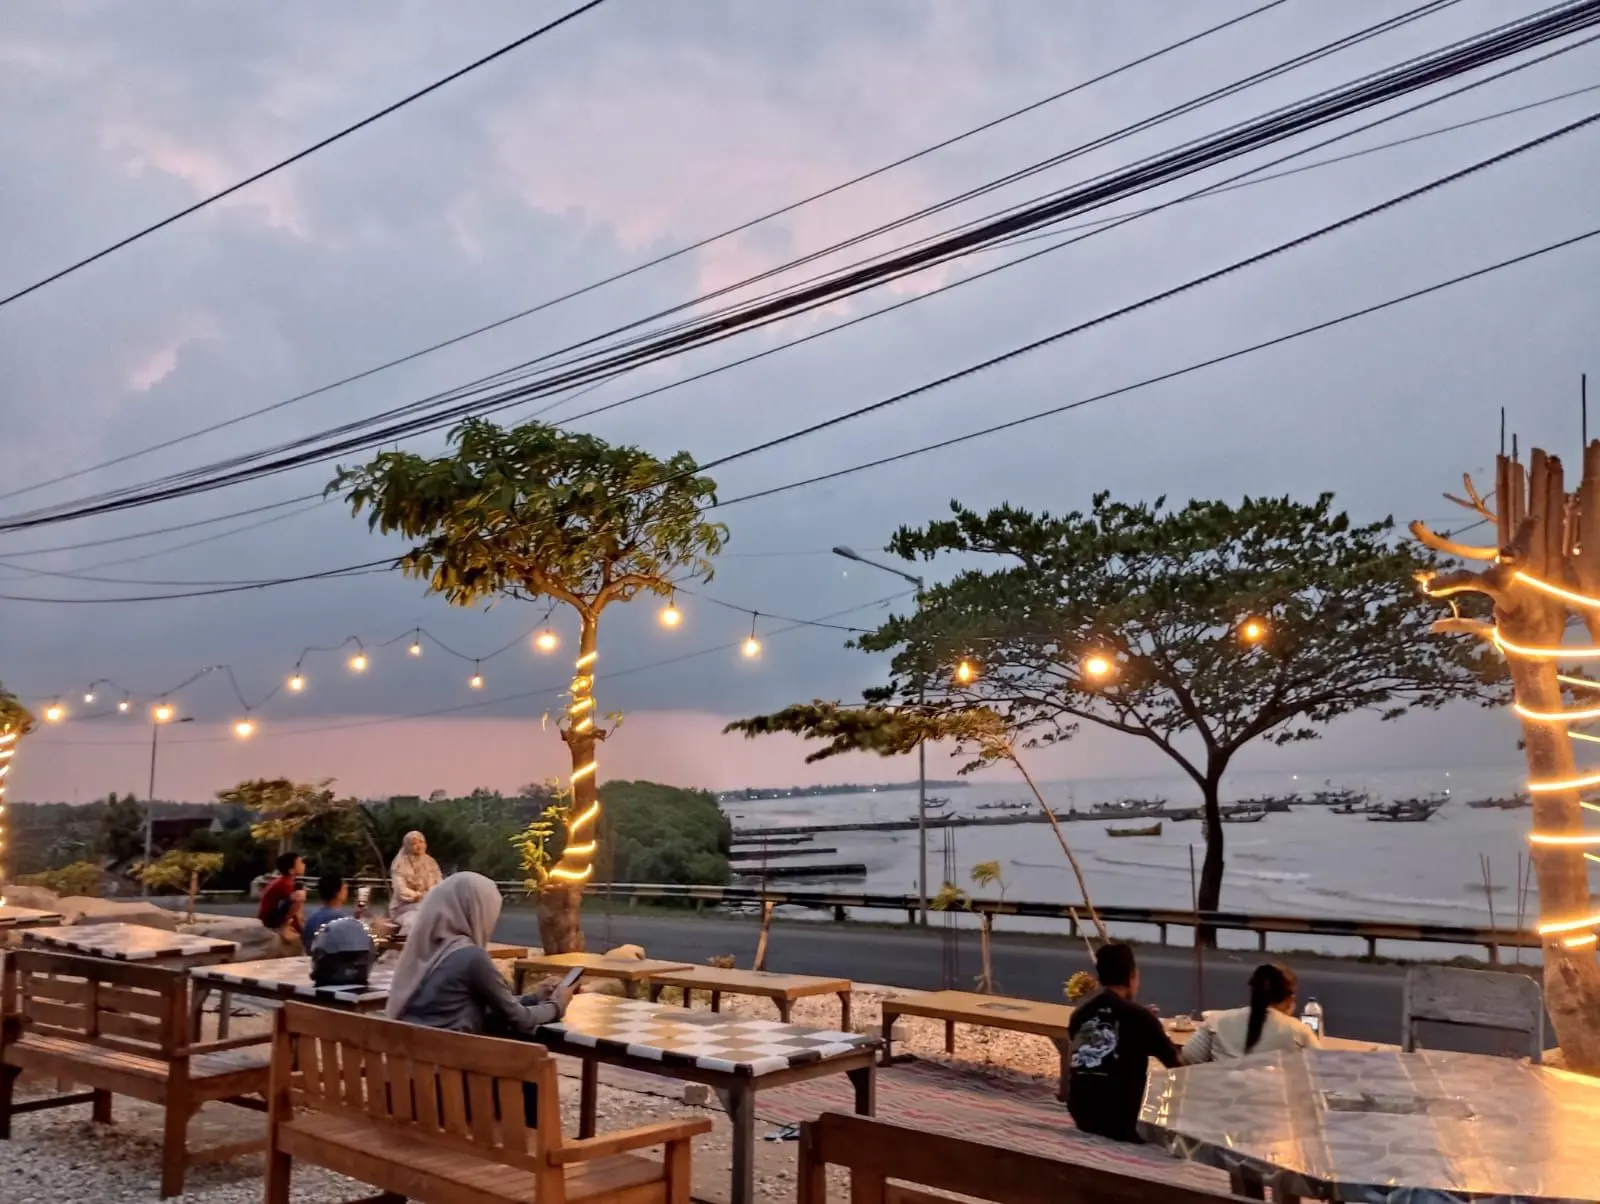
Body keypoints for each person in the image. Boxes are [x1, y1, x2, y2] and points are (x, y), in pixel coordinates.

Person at [387, 873, 574, 1124]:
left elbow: (477, 1004)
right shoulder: (470, 957)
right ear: (474, 910)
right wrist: (558, 1003)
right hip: (444, 1090)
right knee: (530, 1066)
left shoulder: (428, 951)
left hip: (405, 1085)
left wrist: (533, 998)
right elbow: (521, 1021)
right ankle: (531, 1148)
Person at [1066, 942, 1180, 1143]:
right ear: (1131, 976)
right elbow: (1177, 1067)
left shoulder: (1079, 1015)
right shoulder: (1140, 1017)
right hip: (1122, 1121)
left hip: (1082, 1116)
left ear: (1100, 978)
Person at [1182, 963, 1321, 1063]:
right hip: (1276, 1102)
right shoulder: (1299, 1030)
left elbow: (1189, 1056)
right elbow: (1322, 1069)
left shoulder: (1216, 1020)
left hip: (1221, 1100)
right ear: (1291, 999)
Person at [389, 830, 442, 934]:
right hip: (405, 908)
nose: (419, 846)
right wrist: (417, 896)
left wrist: (430, 894)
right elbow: (401, 890)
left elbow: (440, 884)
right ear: (407, 846)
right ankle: (406, 948)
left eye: (421, 842)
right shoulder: (399, 863)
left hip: (429, 903)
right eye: (414, 844)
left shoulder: (431, 862)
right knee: (415, 921)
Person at [257, 852, 305, 951]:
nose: (304, 865)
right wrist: (302, 930)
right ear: (291, 870)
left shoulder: (286, 881)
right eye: (300, 863)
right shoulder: (285, 883)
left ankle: (286, 926)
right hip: (270, 919)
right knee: (299, 896)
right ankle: (283, 928)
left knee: (299, 893)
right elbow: (295, 909)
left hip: (272, 915)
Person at [301, 874, 349, 952]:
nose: (347, 891)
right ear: (338, 893)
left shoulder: (313, 917)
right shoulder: (337, 918)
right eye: (345, 888)